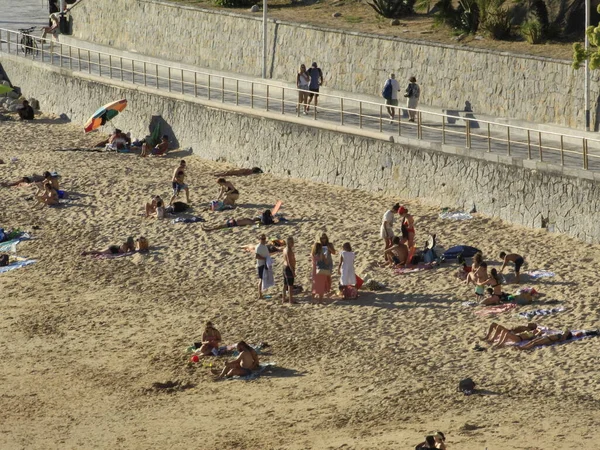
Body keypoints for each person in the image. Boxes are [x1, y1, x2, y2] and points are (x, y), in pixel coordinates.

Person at [201, 210, 275, 231]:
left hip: (234, 224)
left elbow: (261, 222)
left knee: (220, 226)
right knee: (220, 224)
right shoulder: (253, 220)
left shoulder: (253, 222)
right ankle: (209, 227)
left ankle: (209, 229)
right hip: (234, 222)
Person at [281, 236, 297, 304]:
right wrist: (293, 271)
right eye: (292, 242)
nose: (293, 243)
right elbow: (289, 262)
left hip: (285, 267)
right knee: (290, 285)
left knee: (285, 284)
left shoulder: (285, 249)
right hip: (288, 268)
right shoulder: (288, 250)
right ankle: (291, 300)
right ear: (289, 243)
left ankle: (283, 299)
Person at [255, 234, 269, 299]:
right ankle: (260, 295)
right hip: (261, 265)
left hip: (264, 264)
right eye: (262, 239)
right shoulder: (258, 247)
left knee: (263, 279)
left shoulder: (264, 246)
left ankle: (260, 293)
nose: (264, 240)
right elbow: (256, 256)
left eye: (264, 239)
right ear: (259, 239)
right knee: (261, 279)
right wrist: (264, 259)